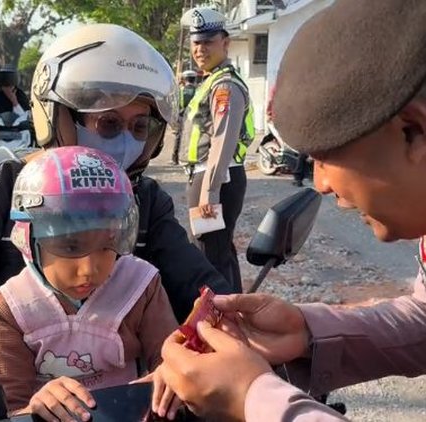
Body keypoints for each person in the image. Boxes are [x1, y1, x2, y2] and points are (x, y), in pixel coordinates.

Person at [153, 0, 426, 420]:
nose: (320, 183)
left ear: (413, 132)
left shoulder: (226, 85)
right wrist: (306, 331)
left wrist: (253, 397)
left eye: (325, 157)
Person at [0, 24, 231, 404]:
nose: (125, 140)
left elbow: (198, 284)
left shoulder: (144, 201)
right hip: (16, 403)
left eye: (140, 125)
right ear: (56, 116)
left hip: (121, 405)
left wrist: (232, 330)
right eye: (107, 123)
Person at [0, 145, 177, 420]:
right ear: (28, 238)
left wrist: (171, 375)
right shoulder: (9, 309)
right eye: (70, 247)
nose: (88, 269)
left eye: (107, 246)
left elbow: (171, 359)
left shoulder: (139, 286)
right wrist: (35, 406)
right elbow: (11, 407)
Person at [179, 7, 255, 293]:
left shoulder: (225, 85)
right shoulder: (211, 80)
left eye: (208, 42)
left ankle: (221, 318)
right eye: (196, 42)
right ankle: (234, 309)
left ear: (225, 43)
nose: (200, 49)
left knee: (208, 254)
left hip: (216, 180)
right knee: (218, 250)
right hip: (213, 178)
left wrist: (208, 193)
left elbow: (222, 141)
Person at [170, 70, 197, 165]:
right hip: (194, 117)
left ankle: (175, 158)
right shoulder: (198, 91)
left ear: (185, 79)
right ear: (194, 79)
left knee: (178, 137)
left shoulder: (179, 91)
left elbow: (174, 105)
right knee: (194, 137)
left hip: (181, 117)